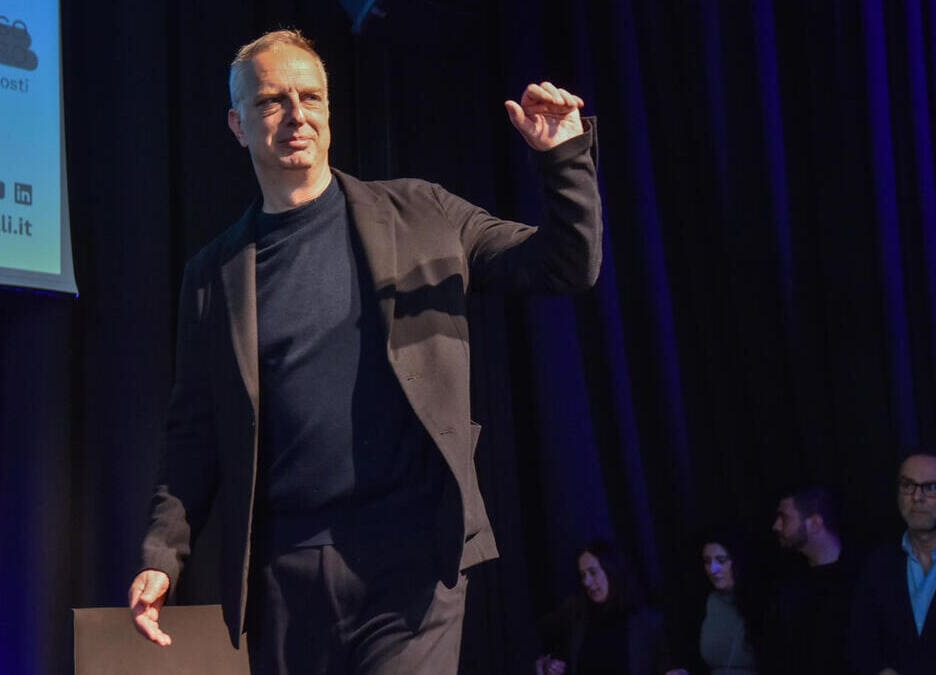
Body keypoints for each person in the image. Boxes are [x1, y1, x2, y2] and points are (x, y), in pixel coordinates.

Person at [127, 28, 602, 675]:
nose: (296, 115)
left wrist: (565, 160)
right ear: (238, 125)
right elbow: (194, 434)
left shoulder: (422, 215)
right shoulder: (214, 276)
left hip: (414, 561)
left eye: (310, 97)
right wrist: (162, 554)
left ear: (329, 110)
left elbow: (565, 263)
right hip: (287, 575)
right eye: (272, 101)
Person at [849, 451, 936, 674]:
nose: (917, 497)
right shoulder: (879, 565)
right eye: (908, 485)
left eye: (931, 487)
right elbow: (860, 641)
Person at [535, 540, 678, 675]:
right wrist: (548, 666)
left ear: (612, 570)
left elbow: (666, 668)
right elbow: (541, 645)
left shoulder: (648, 624)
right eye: (583, 575)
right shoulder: (575, 617)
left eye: (593, 572)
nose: (587, 582)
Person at [763, 486, 856, 674]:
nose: (776, 526)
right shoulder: (788, 582)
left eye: (785, 518)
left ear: (815, 523)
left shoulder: (860, 580)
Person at [695, 533, 761, 675]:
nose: (712, 569)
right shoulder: (709, 603)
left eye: (721, 560)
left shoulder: (761, 602)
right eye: (707, 561)